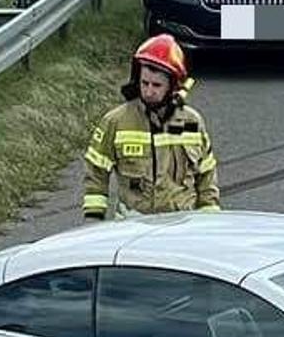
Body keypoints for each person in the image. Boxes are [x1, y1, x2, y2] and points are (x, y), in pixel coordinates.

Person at [80, 34, 219, 220]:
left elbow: (206, 173)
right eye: (144, 83)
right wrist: (94, 219)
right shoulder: (116, 121)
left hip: (182, 224)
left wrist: (209, 218)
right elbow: (96, 171)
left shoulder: (191, 122)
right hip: (133, 225)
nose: (149, 91)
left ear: (172, 85)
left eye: (157, 85)